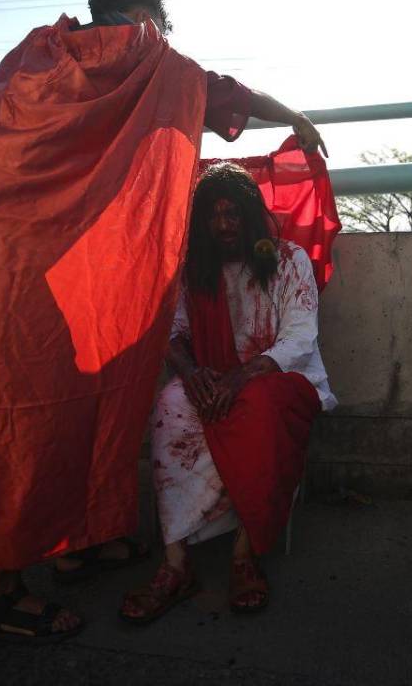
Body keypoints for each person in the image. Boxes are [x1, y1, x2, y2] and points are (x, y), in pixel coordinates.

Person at [0, 0, 327, 643]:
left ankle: (78, 540)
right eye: (160, 28)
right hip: (45, 268)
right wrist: (293, 118)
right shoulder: (149, 59)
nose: (158, 39)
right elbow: (223, 90)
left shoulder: (34, 56)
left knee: (69, 408)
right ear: (148, 20)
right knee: (31, 420)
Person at [120, 163, 336, 624]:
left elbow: (300, 338)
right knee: (171, 406)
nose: (224, 224)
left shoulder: (288, 259)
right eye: (214, 215)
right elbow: (173, 335)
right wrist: (193, 373)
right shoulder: (195, 270)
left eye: (233, 213)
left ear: (250, 217)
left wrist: (241, 377)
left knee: (255, 409)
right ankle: (176, 564)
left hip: (280, 381)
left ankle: (244, 553)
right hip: (215, 378)